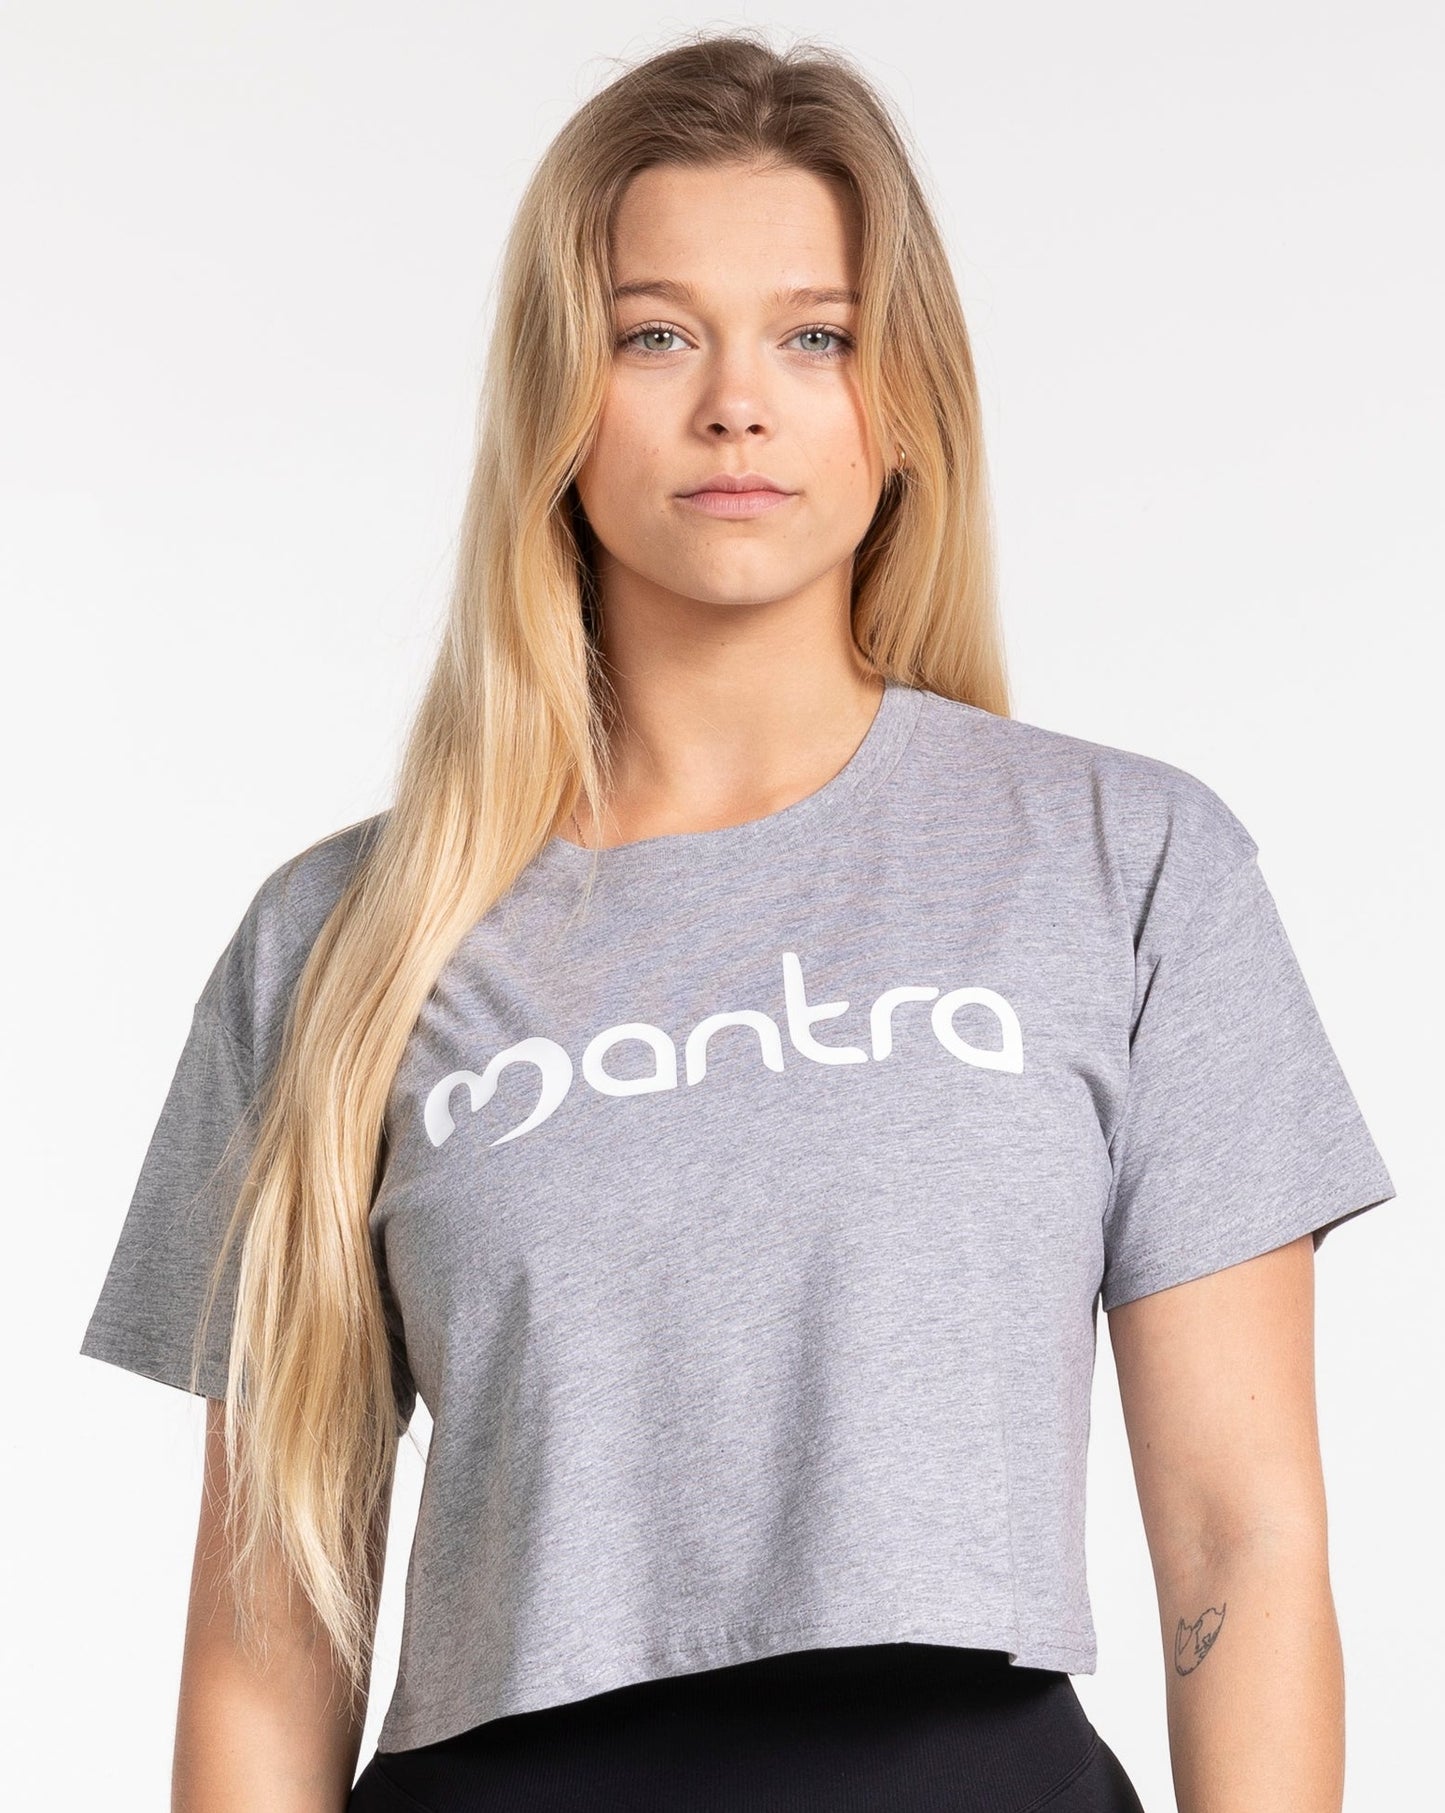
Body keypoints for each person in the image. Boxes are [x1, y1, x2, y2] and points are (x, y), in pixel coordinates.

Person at [78, 29, 1397, 1813]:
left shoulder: (1123, 863)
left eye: (814, 334)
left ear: (901, 396)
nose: (735, 404)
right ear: (557, 393)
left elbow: (1240, 1544)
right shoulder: (338, 943)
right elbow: (270, 1630)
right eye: (652, 334)